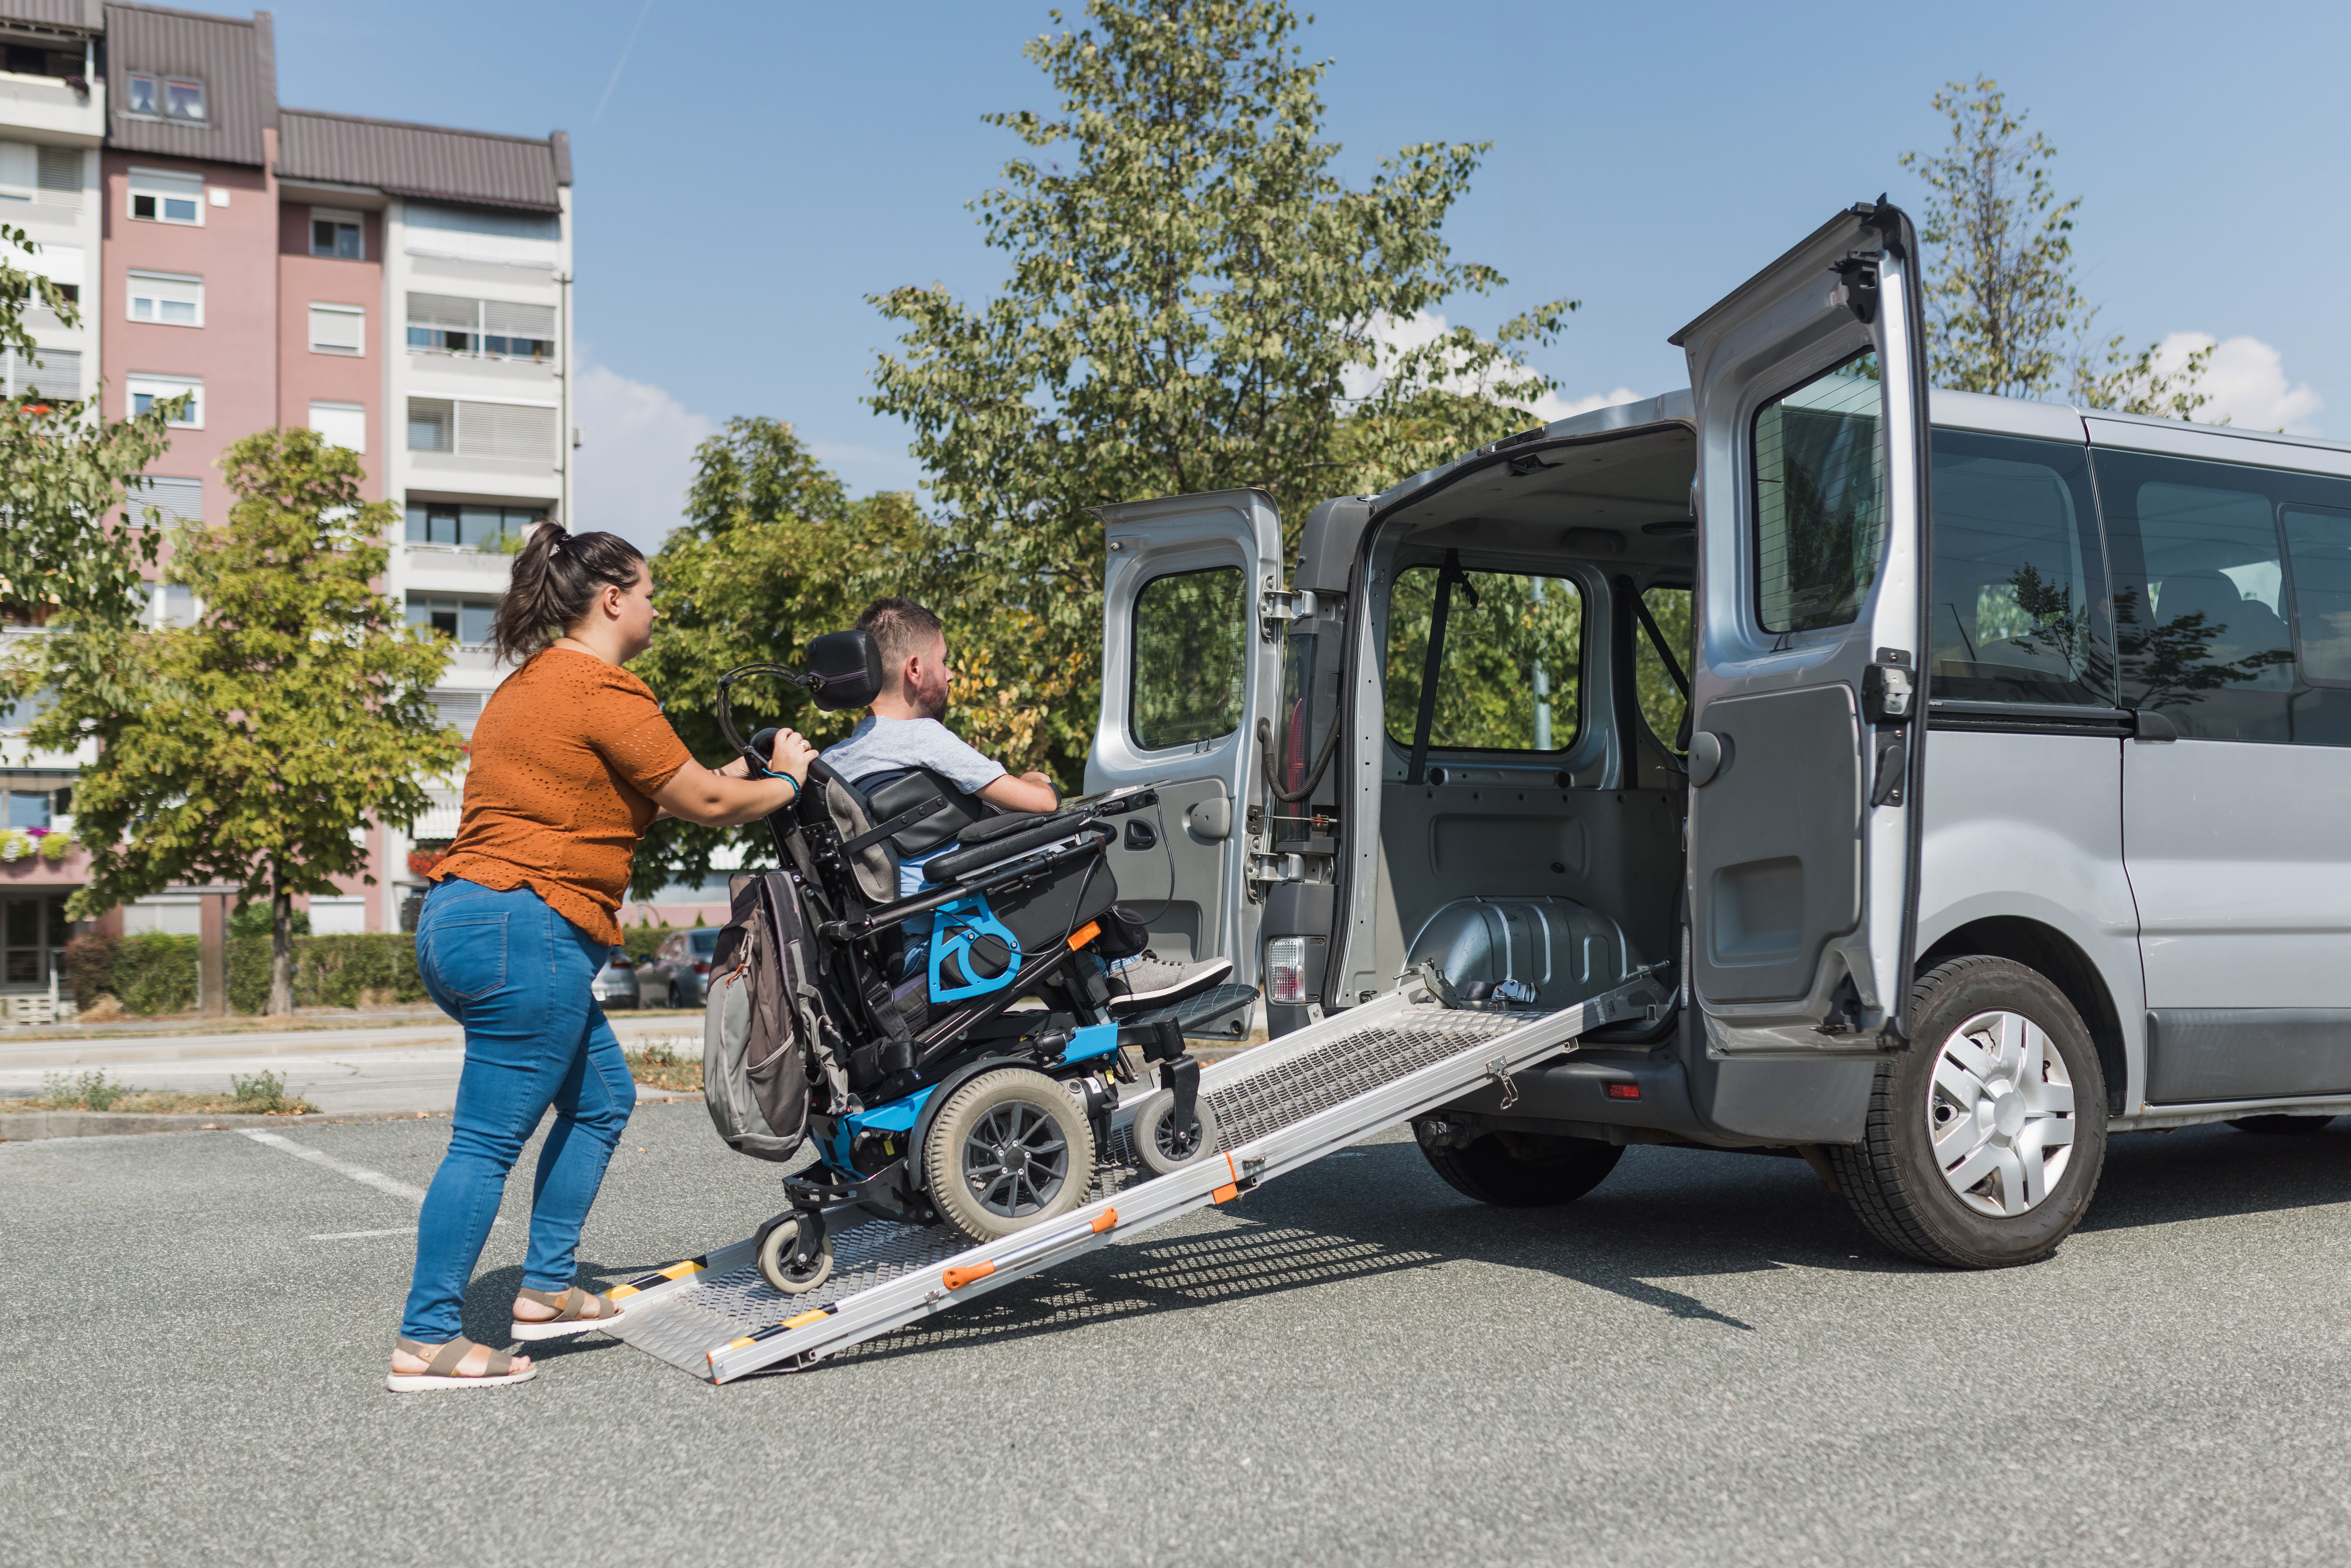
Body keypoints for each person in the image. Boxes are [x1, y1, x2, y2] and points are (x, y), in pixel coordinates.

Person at [388, 523, 816, 1392]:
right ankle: (427, 1336)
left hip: (467, 917)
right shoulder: (603, 688)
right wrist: (789, 782)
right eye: (650, 592)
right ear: (614, 599)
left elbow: (645, 795)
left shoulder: (533, 686)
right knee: (485, 1141)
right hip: (525, 923)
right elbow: (700, 799)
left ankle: (546, 1288)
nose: (656, 606)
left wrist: (745, 768)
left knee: (604, 1097)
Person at [821, 596, 1229, 1013]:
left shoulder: (834, 762)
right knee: (1062, 851)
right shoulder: (922, 738)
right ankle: (1126, 969)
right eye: (943, 661)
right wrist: (1038, 781)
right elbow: (1040, 802)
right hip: (945, 937)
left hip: (887, 945)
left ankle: (1113, 974)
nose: (950, 674)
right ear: (914, 669)